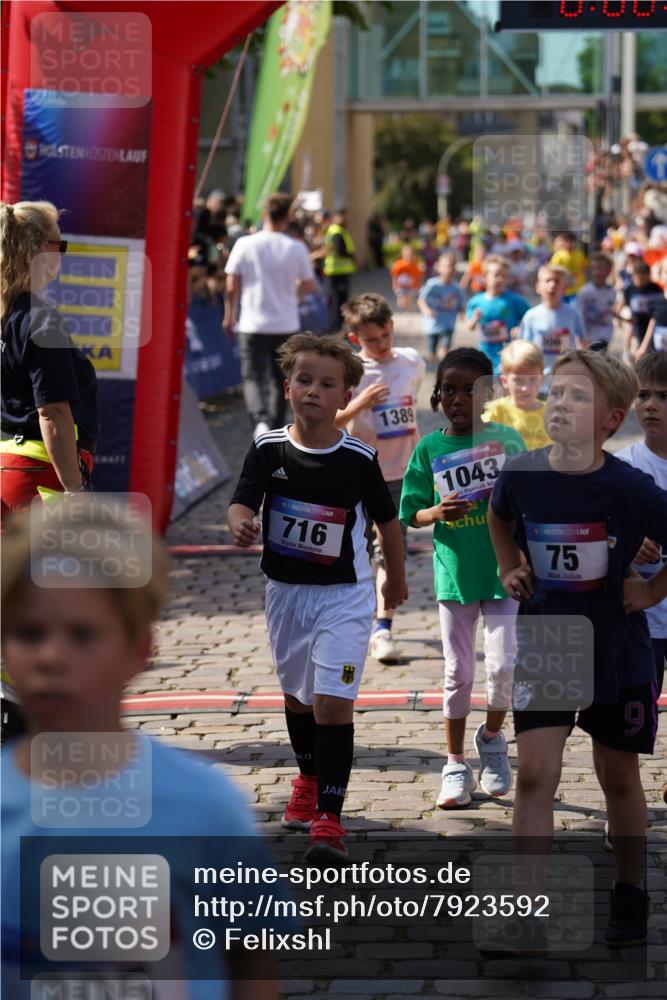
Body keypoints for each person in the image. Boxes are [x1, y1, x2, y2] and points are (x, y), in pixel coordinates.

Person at [1, 498, 277, 999]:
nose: (51, 657)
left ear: (140, 650)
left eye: (83, 634)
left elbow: (252, 965)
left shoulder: (207, 807)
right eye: (29, 632)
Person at [488, 350, 667, 952]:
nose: (561, 404)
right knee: (535, 773)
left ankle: (629, 890)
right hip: (549, 642)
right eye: (557, 392)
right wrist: (509, 566)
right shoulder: (521, 473)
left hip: (617, 648)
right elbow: (498, 517)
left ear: (612, 419)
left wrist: (651, 591)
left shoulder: (630, 487)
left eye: (578, 397)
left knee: (617, 776)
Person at [228, 333, 407, 861]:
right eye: (304, 380)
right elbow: (241, 503)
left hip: (344, 596)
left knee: (332, 702)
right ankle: (308, 776)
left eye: (326, 384)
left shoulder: (358, 458)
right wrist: (241, 523)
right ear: (287, 387)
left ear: (344, 397)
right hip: (286, 594)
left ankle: (329, 818)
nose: (313, 390)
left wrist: (394, 580)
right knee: (298, 699)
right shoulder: (269, 449)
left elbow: (388, 524)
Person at [399, 348, 525, 809]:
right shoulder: (429, 448)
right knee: (458, 671)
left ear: (488, 393)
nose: (457, 398)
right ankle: (454, 763)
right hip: (455, 574)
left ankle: (491, 739)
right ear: (437, 394)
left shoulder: (508, 441)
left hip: (504, 572)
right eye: (448, 389)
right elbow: (410, 512)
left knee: (504, 665)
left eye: (469, 390)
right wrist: (436, 512)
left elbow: (529, 500)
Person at [335, 293, 425, 663]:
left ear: (392, 326)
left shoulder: (412, 361)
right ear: (355, 338)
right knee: (354, 553)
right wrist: (360, 404)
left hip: (401, 473)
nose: (382, 344)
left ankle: (383, 627)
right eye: (372, 340)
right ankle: (353, 618)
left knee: (389, 552)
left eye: (386, 335)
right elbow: (328, 421)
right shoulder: (348, 370)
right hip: (358, 473)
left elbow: (409, 406)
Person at [0, 201, 98, 519]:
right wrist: (74, 489)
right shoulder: (41, 320)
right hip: (41, 475)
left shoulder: (8, 314)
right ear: (44, 249)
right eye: (61, 245)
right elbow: (53, 412)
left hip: (7, 465)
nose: (62, 253)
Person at [224, 193, 316, 439]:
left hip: (252, 323)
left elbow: (231, 286)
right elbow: (310, 286)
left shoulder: (245, 244)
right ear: (288, 217)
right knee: (281, 378)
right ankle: (274, 429)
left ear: (265, 214)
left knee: (252, 377)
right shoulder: (296, 247)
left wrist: (229, 315)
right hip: (286, 324)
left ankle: (260, 420)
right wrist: (296, 287)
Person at [616, 351, 667, 701]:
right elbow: (602, 535)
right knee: (640, 712)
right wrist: (629, 545)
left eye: (664, 396)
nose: (651, 405)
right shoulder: (622, 465)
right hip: (645, 617)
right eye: (643, 395)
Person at [466, 255, 530, 378]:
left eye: (504, 276)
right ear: (485, 277)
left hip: (508, 354)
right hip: (485, 354)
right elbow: (470, 326)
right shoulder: (476, 302)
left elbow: (530, 317)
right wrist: (474, 319)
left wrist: (520, 328)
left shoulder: (514, 300)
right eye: (496, 275)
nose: (500, 279)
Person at [483, 341, 551, 451]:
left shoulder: (552, 413)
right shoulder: (496, 411)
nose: (526, 388)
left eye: (533, 379)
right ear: (505, 381)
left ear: (542, 379)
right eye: (518, 380)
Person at [519, 264, 584, 379]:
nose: (552, 285)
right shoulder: (531, 316)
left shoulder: (573, 314)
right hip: (539, 378)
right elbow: (524, 347)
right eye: (548, 280)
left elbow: (583, 341)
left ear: (565, 288)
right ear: (538, 287)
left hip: (566, 376)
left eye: (557, 281)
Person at [418, 252, 464, 363]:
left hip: (449, 324)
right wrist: (426, 310)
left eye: (451, 267)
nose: (448, 270)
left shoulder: (456, 287)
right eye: (445, 266)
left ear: (454, 269)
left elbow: (460, 303)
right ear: (438, 268)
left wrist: (462, 312)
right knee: (432, 352)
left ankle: (443, 366)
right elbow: (421, 299)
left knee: (445, 349)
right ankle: (433, 360)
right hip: (433, 324)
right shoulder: (432, 284)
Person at [622, 258, 662, 360]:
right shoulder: (630, 289)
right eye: (635, 277)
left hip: (651, 326)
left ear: (648, 276)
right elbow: (623, 304)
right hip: (637, 326)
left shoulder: (655, 289)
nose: (638, 280)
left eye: (641, 277)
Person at [575, 252, 618, 350]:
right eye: (594, 268)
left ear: (609, 271)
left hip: (604, 335)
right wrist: (582, 336)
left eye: (600, 268)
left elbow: (611, 310)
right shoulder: (585, 292)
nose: (597, 272)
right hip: (588, 336)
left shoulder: (612, 291)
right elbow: (580, 315)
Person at [323, 208, 356, 331]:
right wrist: (353, 256)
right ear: (336, 217)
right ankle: (337, 326)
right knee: (339, 300)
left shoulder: (336, 230)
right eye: (343, 216)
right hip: (338, 272)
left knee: (338, 300)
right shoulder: (337, 231)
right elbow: (340, 251)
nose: (345, 219)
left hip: (337, 271)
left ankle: (338, 325)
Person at [635, 258, 667, 359]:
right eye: (666, 272)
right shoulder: (654, 300)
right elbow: (653, 321)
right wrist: (643, 347)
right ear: (660, 276)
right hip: (657, 355)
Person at [549, 230, 588, 300]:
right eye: (567, 242)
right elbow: (553, 270)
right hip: (563, 289)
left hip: (577, 288)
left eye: (572, 242)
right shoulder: (559, 255)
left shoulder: (579, 254)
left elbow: (584, 267)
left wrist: (578, 277)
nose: (570, 244)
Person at [390, 243, 423, 312]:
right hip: (400, 286)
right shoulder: (398, 264)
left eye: (410, 254)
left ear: (413, 255)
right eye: (406, 254)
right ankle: (404, 305)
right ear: (402, 254)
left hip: (411, 286)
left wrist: (418, 285)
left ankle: (408, 311)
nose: (408, 256)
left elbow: (418, 276)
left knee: (409, 300)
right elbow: (394, 276)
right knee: (401, 303)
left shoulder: (415, 265)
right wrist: (394, 285)